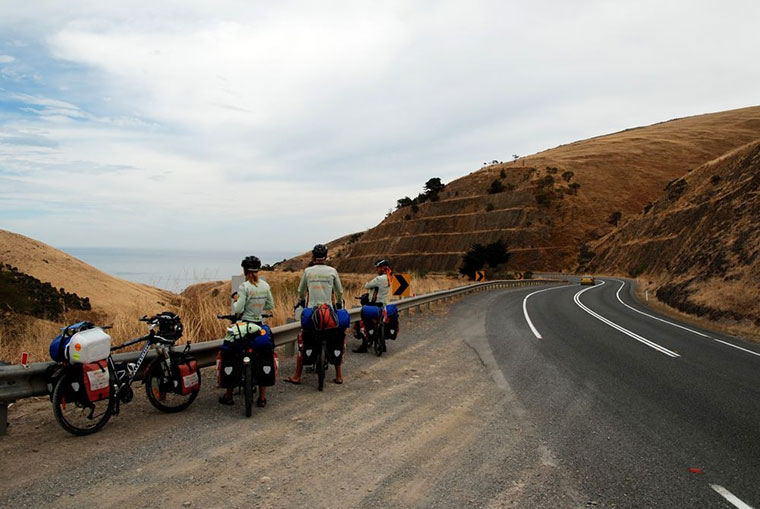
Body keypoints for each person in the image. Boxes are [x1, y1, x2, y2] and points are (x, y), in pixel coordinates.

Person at [219, 255, 275, 407]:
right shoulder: (265, 286)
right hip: (259, 325)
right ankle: (262, 397)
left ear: (244, 270)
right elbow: (270, 304)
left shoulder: (244, 287)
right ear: (258, 270)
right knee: (263, 355)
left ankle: (228, 394)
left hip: (244, 326)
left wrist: (237, 300)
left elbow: (238, 308)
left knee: (230, 353)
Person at [285, 244, 345, 384]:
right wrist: (339, 305)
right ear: (326, 257)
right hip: (328, 312)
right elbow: (339, 291)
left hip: (312, 311)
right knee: (336, 339)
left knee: (303, 339)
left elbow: (301, 291)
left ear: (313, 257)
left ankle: (297, 376)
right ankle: (339, 375)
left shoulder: (308, 271)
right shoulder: (332, 271)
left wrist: (301, 301)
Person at [353, 258, 393, 353]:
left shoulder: (379, 279)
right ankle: (382, 343)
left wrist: (368, 283)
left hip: (374, 305)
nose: (376, 270)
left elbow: (367, 285)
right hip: (383, 305)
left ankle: (364, 345)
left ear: (382, 268)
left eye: (377, 268)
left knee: (364, 321)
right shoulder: (388, 278)